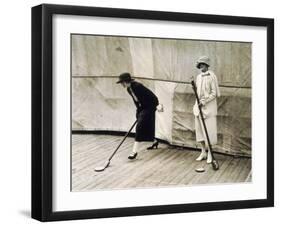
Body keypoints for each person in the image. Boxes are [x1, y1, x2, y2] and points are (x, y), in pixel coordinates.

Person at [117, 72, 160, 159]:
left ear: (125, 81)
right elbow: (136, 101)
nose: (121, 84)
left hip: (150, 107)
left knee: (139, 127)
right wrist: (138, 112)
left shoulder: (138, 86)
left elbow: (153, 97)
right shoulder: (129, 89)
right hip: (142, 108)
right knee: (146, 126)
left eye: (122, 82)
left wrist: (154, 106)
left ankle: (134, 152)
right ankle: (155, 141)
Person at [192, 56, 220, 163]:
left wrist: (204, 101)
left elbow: (214, 93)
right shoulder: (199, 77)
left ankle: (210, 153)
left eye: (203, 65)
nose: (201, 67)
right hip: (198, 107)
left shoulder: (212, 76)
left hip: (209, 108)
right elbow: (198, 92)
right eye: (200, 65)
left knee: (209, 131)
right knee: (199, 131)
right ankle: (203, 151)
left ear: (207, 65)